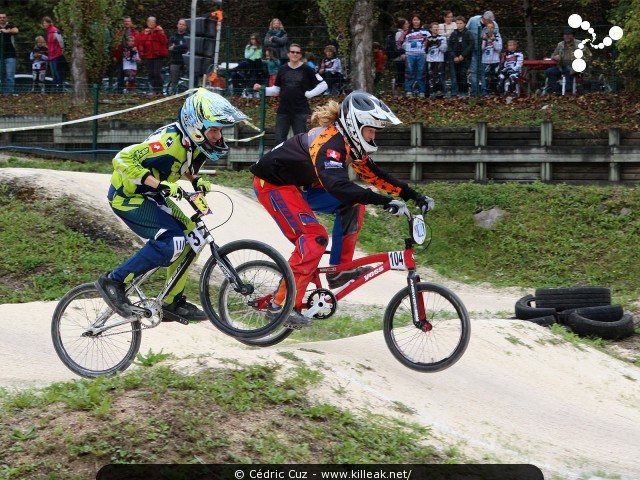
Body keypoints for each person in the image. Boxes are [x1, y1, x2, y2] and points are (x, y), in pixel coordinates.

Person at [249, 92, 435, 326]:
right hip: (274, 185)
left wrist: (413, 196)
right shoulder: (330, 144)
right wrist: (383, 202)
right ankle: (280, 306)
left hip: (301, 187)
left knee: (354, 205)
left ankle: (339, 271)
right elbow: (337, 186)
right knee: (314, 237)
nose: (373, 136)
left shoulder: (349, 143)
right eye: (371, 130)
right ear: (355, 125)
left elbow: (375, 176)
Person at [95, 88, 249, 322]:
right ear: (197, 127)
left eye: (220, 130)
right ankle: (113, 281)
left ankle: (171, 303)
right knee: (172, 241)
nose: (219, 136)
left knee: (193, 240)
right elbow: (122, 159)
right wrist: (159, 184)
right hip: (128, 197)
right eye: (214, 130)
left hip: (151, 196)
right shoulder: (167, 142)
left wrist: (195, 180)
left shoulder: (191, 144)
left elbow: (180, 165)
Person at [253, 43, 327, 145]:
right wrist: (262, 89)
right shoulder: (282, 69)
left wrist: (310, 93)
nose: (295, 54)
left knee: (302, 142)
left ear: (301, 55)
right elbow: (276, 90)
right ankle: (281, 161)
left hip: (301, 111)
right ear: (288, 54)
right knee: (279, 141)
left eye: (297, 52)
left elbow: (323, 85)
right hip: (283, 111)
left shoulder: (307, 69)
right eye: (293, 52)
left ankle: (302, 161)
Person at [545, 27, 587, 95]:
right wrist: (555, 57)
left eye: (569, 34)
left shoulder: (579, 44)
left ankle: (568, 91)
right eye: (565, 34)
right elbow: (552, 55)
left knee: (568, 69)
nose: (567, 36)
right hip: (561, 66)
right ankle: (557, 90)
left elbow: (586, 57)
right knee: (549, 71)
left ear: (573, 35)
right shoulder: (560, 44)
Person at [466, 11, 499, 96]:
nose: (491, 22)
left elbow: (497, 37)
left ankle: (485, 92)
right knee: (474, 71)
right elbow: (466, 32)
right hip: (475, 50)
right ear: (485, 19)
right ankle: (474, 92)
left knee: (486, 72)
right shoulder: (473, 20)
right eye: (490, 21)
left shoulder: (494, 24)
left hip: (488, 53)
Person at [399, 14, 429, 97]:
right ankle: (408, 90)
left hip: (421, 55)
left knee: (421, 73)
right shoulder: (407, 32)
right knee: (409, 72)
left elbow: (430, 42)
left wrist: (427, 51)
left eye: (418, 20)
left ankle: (421, 91)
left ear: (420, 21)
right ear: (412, 21)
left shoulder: (425, 32)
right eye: (414, 20)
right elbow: (399, 42)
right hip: (410, 55)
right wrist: (402, 52)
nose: (416, 21)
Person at [138, 16, 168, 96]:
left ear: (155, 23)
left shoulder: (159, 31)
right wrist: (145, 35)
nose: (151, 24)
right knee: (151, 74)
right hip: (148, 56)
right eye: (150, 22)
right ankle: (155, 90)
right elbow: (141, 43)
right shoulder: (144, 32)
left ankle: (160, 90)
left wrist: (161, 32)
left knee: (156, 73)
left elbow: (164, 41)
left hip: (158, 55)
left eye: (153, 22)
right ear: (147, 23)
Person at [112, 16, 140, 92]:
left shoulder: (135, 33)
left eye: (128, 21)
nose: (127, 23)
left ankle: (130, 91)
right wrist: (114, 55)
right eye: (125, 21)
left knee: (132, 76)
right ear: (123, 23)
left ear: (131, 22)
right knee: (120, 75)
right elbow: (115, 45)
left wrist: (136, 49)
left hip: (132, 57)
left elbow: (139, 43)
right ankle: (119, 92)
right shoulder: (119, 33)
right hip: (121, 56)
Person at [448, 16, 473, 97]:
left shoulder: (468, 33)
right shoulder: (453, 33)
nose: (459, 25)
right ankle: (458, 92)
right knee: (457, 75)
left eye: (460, 23)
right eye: (457, 23)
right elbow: (450, 46)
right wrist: (454, 56)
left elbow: (470, 45)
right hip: (455, 58)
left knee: (463, 74)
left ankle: (464, 92)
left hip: (465, 58)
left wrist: (463, 55)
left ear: (464, 24)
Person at [42, 17, 64, 93]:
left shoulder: (55, 31)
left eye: (45, 23)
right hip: (51, 55)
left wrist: (61, 49)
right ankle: (54, 90)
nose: (44, 24)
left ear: (49, 23)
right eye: (43, 23)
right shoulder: (48, 32)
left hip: (56, 55)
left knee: (57, 73)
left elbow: (61, 41)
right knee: (53, 74)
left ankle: (59, 90)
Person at [386, 17, 407, 94]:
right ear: (402, 25)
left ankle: (399, 90)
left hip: (401, 55)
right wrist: (402, 52)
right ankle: (397, 92)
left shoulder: (404, 32)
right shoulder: (399, 33)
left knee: (402, 73)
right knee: (401, 73)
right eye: (406, 24)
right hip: (399, 56)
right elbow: (398, 45)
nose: (408, 25)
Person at [480, 20, 502, 95]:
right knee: (485, 78)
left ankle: (495, 92)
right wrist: (484, 40)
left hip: (495, 60)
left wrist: (493, 40)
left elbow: (498, 49)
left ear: (494, 29)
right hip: (485, 60)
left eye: (491, 27)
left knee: (494, 78)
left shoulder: (498, 36)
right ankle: (484, 93)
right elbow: (481, 49)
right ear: (486, 28)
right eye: (488, 27)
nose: (490, 29)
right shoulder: (483, 36)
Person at [425, 22, 447, 97]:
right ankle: (432, 92)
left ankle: (439, 92)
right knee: (431, 76)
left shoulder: (442, 37)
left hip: (439, 59)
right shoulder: (427, 38)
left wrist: (439, 44)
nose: (436, 28)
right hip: (430, 60)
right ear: (431, 29)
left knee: (438, 76)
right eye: (434, 27)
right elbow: (424, 50)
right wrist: (428, 45)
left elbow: (444, 49)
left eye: (437, 27)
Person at [167, 19, 188, 95]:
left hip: (186, 62)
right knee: (174, 81)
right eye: (180, 24)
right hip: (175, 61)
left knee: (188, 80)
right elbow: (170, 48)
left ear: (186, 26)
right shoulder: (173, 36)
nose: (181, 26)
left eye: (183, 24)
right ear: (177, 25)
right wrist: (180, 47)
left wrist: (175, 47)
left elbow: (187, 46)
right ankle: (173, 95)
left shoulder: (188, 36)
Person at [438, 11, 456, 96]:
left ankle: (454, 91)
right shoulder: (440, 25)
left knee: (453, 70)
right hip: (442, 49)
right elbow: (439, 35)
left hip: (452, 48)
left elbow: (453, 34)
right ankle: (443, 90)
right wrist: (447, 34)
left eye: (451, 17)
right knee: (442, 70)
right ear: (444, 18)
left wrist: (444, 34)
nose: (450, 19)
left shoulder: (455, 24)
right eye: (448, 17)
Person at [0, 12, 18, 94]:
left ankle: (8, 94)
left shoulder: (10, 26)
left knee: (10, 75)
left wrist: (6, 31)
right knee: (2, 76)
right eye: (0, 17)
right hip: (0, 55)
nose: (2, 19)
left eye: (4, 17)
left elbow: (16, 30)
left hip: (10, 55)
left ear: (6, 18)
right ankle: (3, 93)